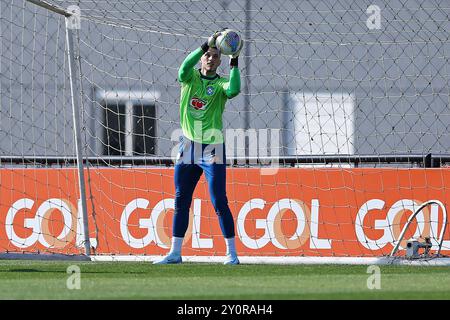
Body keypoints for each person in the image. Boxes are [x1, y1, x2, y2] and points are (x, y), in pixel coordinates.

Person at [154, 30, 243, 265]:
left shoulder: (222, 83)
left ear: (220, 60)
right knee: (181, 199)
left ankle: (231, 254)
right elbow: (184, 66)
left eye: (216, 56)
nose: (211, 59)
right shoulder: (190, 78)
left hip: (213, 148)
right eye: (208, 55)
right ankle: (175, 253)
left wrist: (235, 61)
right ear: (202, 57)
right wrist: (205, 45)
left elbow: (234, 90)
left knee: (218, 200)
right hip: (187, 145)